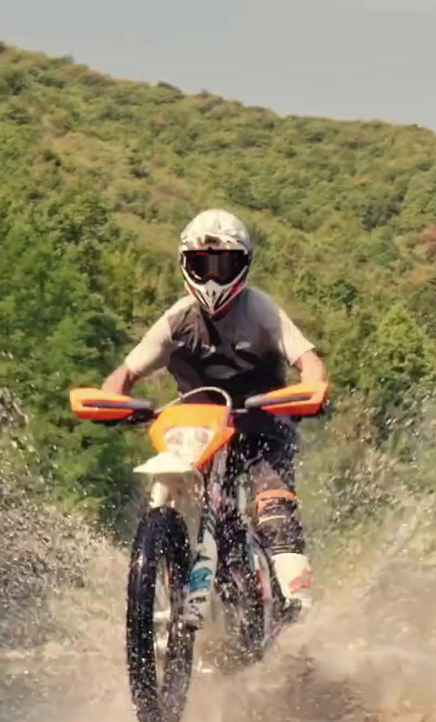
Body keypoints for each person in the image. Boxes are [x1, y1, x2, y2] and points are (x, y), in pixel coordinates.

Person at [100, 208, 327, 628]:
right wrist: (113, 399)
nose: (212, 279)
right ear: (186, 265)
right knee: (164, 496)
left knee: (273, 509)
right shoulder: (177, 318)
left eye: (223, 266)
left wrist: (310, 391)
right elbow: (126, 373)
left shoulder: (262, 310)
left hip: (264, 421)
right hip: (199, 425)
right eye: (202, 266)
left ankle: (299, 611)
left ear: (243, 266)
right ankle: (163, 577)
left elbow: (308, 362)